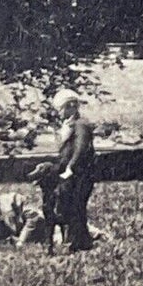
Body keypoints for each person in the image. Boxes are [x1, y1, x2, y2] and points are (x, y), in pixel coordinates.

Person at [52, 88, 97, 253]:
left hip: (80, 174)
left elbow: (81, 148)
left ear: (71, 106)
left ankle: (75, 242)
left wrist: (70, 167)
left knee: (76, 205)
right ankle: (82, 241)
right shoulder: (69, 125)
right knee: (70, 205)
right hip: (71, 173)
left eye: (61, 109)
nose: (59, 114)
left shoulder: (81, 125)